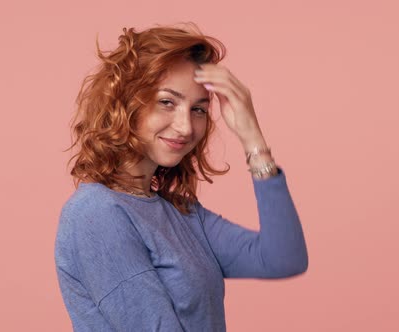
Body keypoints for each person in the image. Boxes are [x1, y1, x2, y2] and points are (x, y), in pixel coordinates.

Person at [54, 22, 308, 332]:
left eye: (198, 109)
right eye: (167, 102)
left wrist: (252, 137)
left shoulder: (181, 214)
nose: (186, 127)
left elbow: (284, 258)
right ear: (126, 103)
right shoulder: (95, 212)